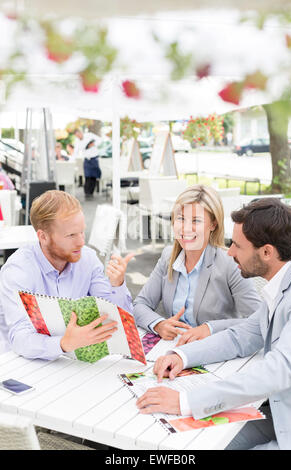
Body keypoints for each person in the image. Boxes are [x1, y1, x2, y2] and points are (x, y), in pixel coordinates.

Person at [137, 198, 291, 450]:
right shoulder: (284, 282)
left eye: (236, 245)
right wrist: (181, 355)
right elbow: (242, 335)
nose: (231, 252)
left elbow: (277, 371)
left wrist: (185, 401)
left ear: (267, 252)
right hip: (279, 413)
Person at [0, 190, 134, 360]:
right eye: (71, 235)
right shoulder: (18, 271)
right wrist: (63, 344)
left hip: (74, 359)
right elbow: (19, 339)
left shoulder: (88, 259)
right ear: (43, 236)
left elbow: (117, 321)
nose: (81, 242)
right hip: (22, 363)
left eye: (82, 232)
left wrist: (117, 285)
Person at [133, 185, 261, 344]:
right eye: (181, 219)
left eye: (196, 220)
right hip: (174, 349)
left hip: (216, 350)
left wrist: (210, 328)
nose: (186, 228)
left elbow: (258, 320)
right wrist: (159, 324)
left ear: (213, 224)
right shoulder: (168, 257)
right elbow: (140, 305)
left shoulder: (230, 264)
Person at [74, 128, 101, 199]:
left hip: (94, 158)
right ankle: (87, 193)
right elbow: (75, 151)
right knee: (87, 176)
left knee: (94, 176)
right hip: (87, 159)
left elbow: (99, 140)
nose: (78, 137)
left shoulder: (90, 135)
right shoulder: (77, 141)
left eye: (78, 135)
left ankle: (91, 192)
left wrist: (93, 144)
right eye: (77, 136)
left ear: (80, 132)